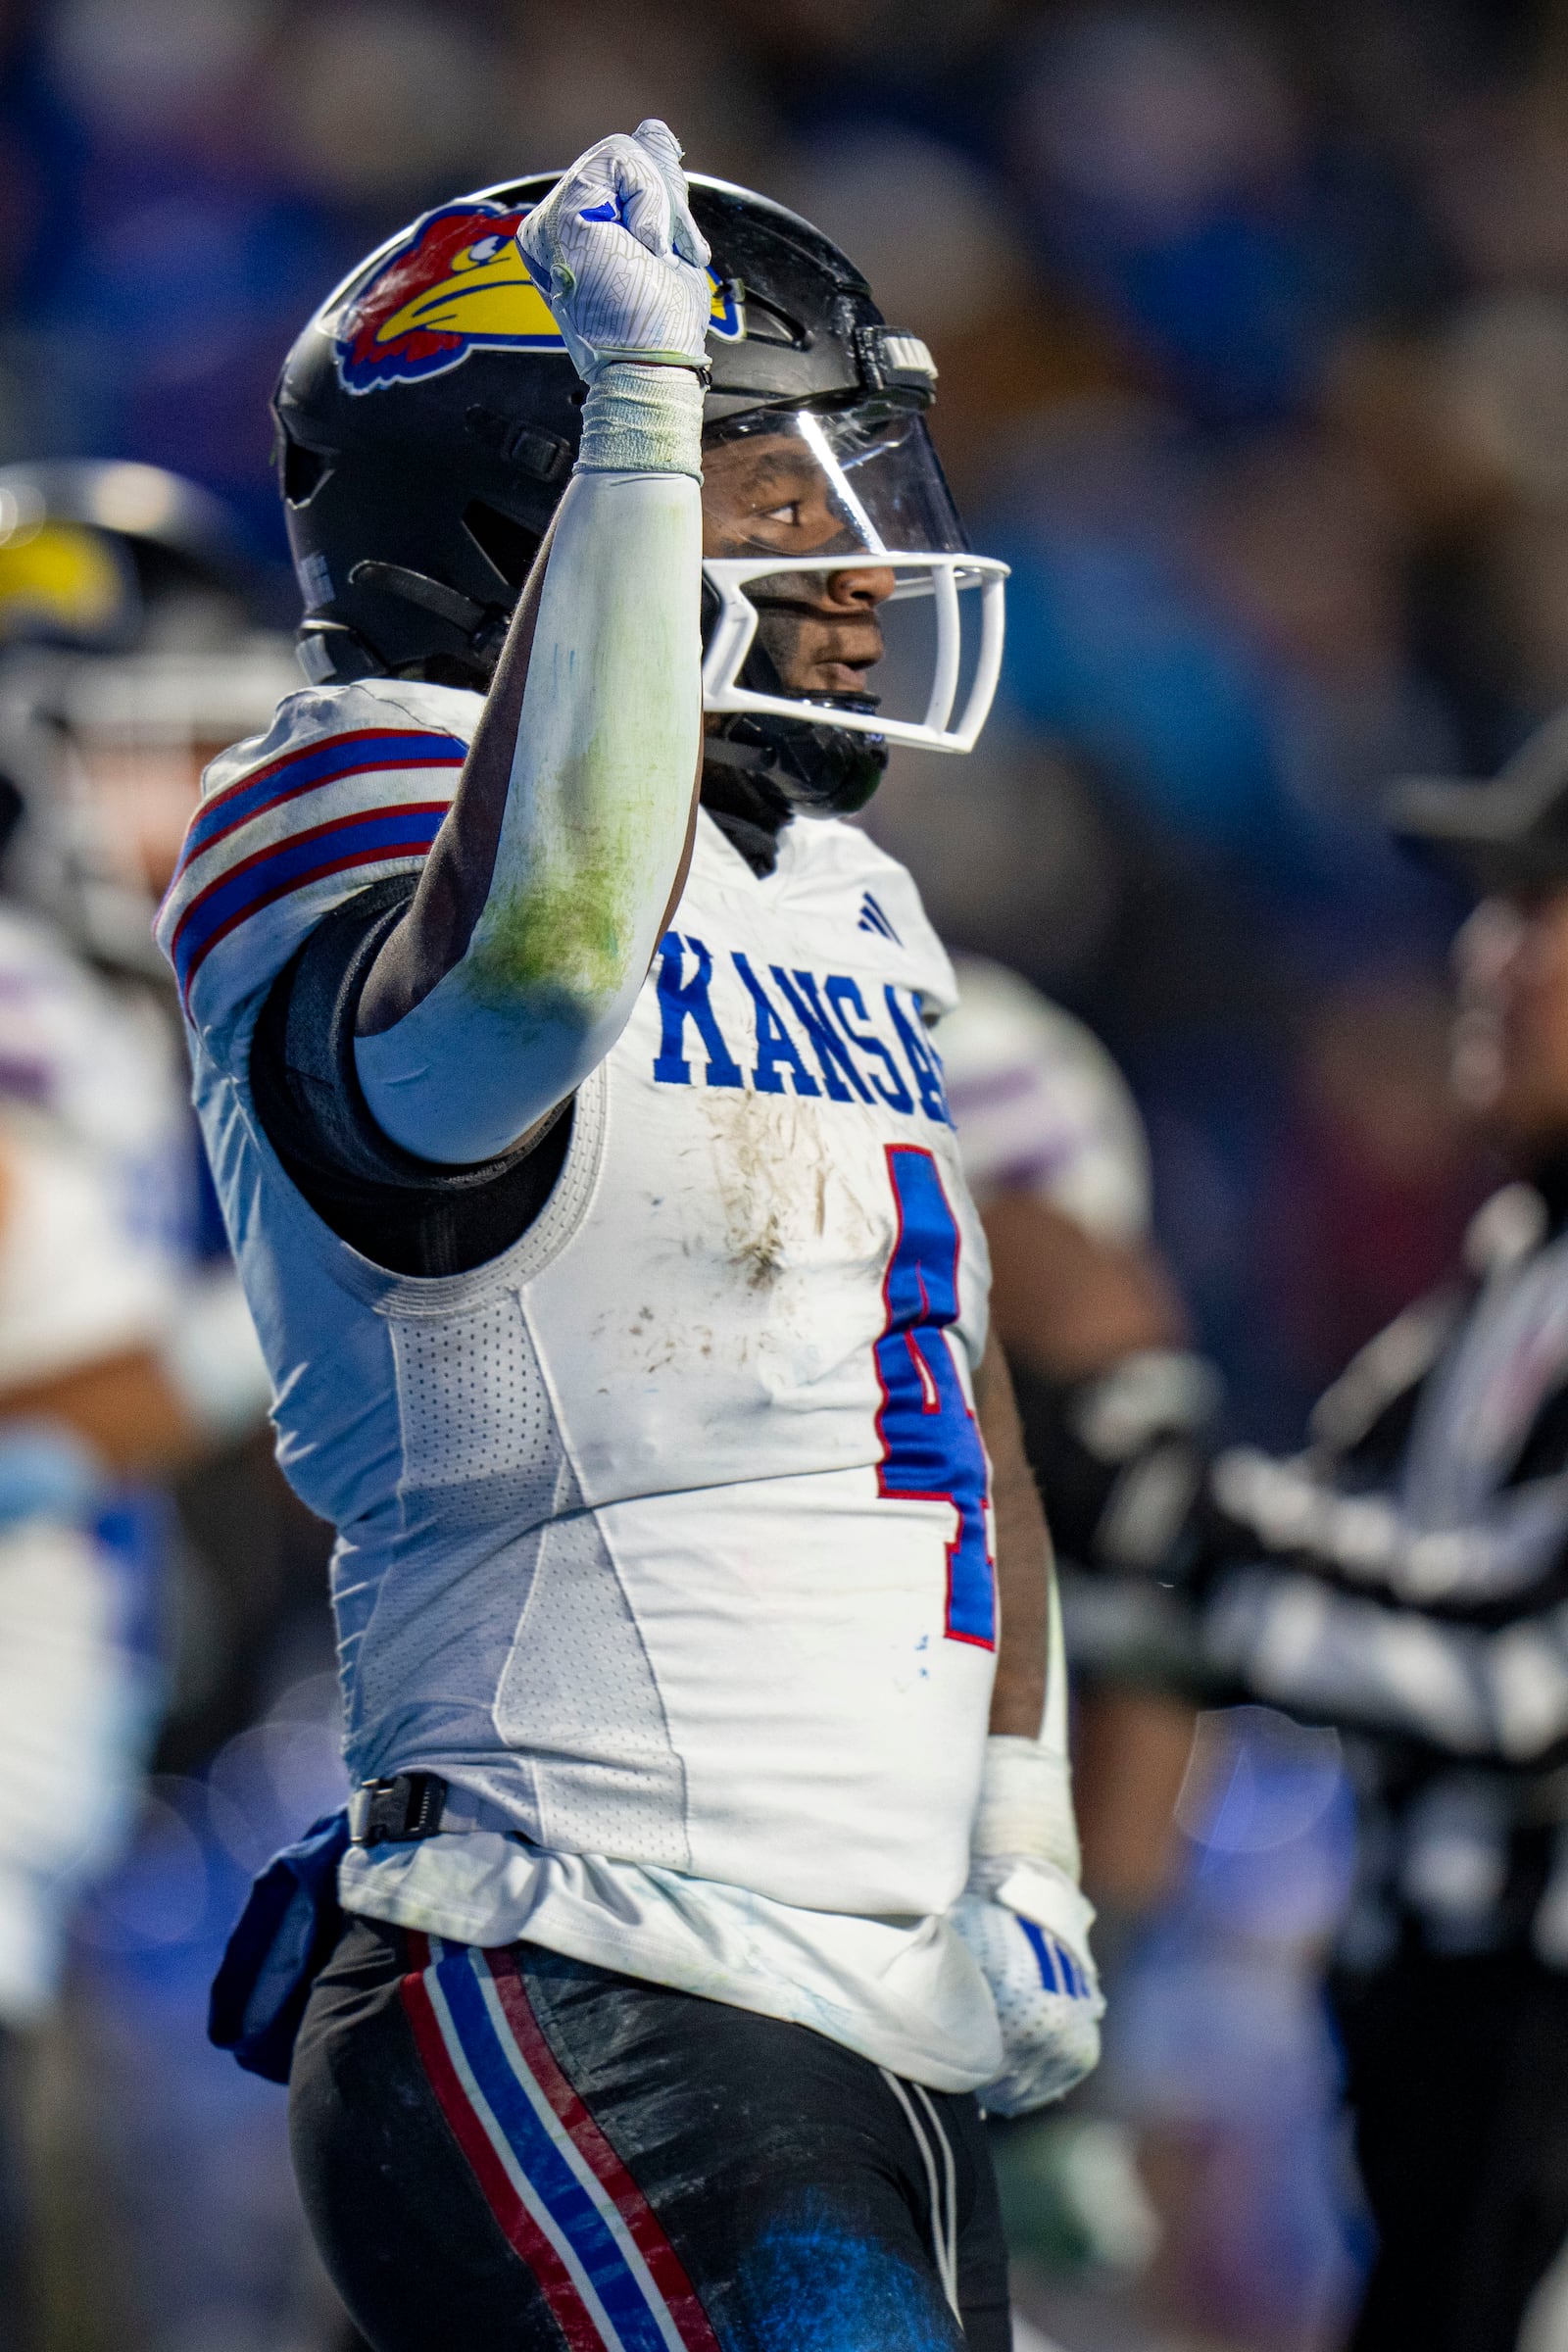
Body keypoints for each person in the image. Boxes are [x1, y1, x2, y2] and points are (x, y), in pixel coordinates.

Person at [160, 123, 1102, 2352]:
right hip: (582, 1959)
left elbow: (945, 1372)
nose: (867, 563)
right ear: (532, 492)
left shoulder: (849, 899)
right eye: (789, 490)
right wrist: (647, 418)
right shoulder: (351, 780)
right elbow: (539, 969)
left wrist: (1024, 1833)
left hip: (878, 1998)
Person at [1078, 709, 1568, 2352]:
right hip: (1454, 2084)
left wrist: (1170, 1513)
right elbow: (1319, 1524)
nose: (1490, 965)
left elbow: (1522, 1670)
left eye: (1541, 910)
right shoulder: (1513, 1269)